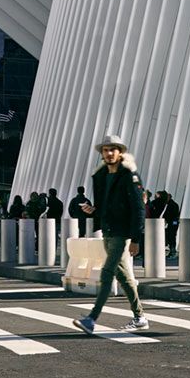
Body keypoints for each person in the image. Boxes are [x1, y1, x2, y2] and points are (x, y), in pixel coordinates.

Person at [74, 134, 152, 335]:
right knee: (123, 275)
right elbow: (107, 206)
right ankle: (140, 317)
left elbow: (138, 208)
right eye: (105, 150)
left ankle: (92, 318)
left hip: (121, 233)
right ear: (102, 153)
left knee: (107, 271)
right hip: (108, 230)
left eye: (113, 149)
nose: (109, 153)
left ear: (120, 152)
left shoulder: (129, 175)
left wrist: (136, 239)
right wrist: (94, 211)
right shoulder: (102, 176)